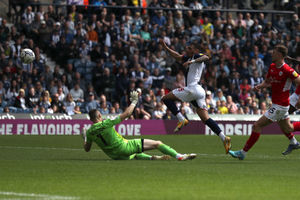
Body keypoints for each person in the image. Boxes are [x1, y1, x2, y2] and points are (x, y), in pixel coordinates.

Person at [159, 39, 231, 154]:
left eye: (189, 48)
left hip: (192, 89)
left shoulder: (197, 56)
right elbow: (177, 56)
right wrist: (165, 47)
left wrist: (192, 62)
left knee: (165, 98)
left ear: (195, 50)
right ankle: (224, 138)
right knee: (205, 119)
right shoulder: (188, 58)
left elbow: (206, 57)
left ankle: (181, 119)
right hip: (199, 91)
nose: (187, 49)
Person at [229, 45, 300, 160]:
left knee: (257, 125)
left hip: (281, 105)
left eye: (274, 52)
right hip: (277, 104)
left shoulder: (287, 70)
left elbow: (299, 82)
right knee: (289, 128)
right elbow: (268, 82)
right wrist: (260, 86)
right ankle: (294, 142)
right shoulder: (272, 67)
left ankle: (243, 152)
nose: (272, 54)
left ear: (280, 55)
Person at [81, 91, 196, 161]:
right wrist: (134, 102)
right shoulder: (106, 123)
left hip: (115, 156)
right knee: (157, 143)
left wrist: (85, 138)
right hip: (124, 148)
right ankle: (179, 156)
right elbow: (126, 114)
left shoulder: (90, 132)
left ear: (91, 119)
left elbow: (87, 149)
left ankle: (151, 158)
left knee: (135, 153)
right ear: (100, 115)